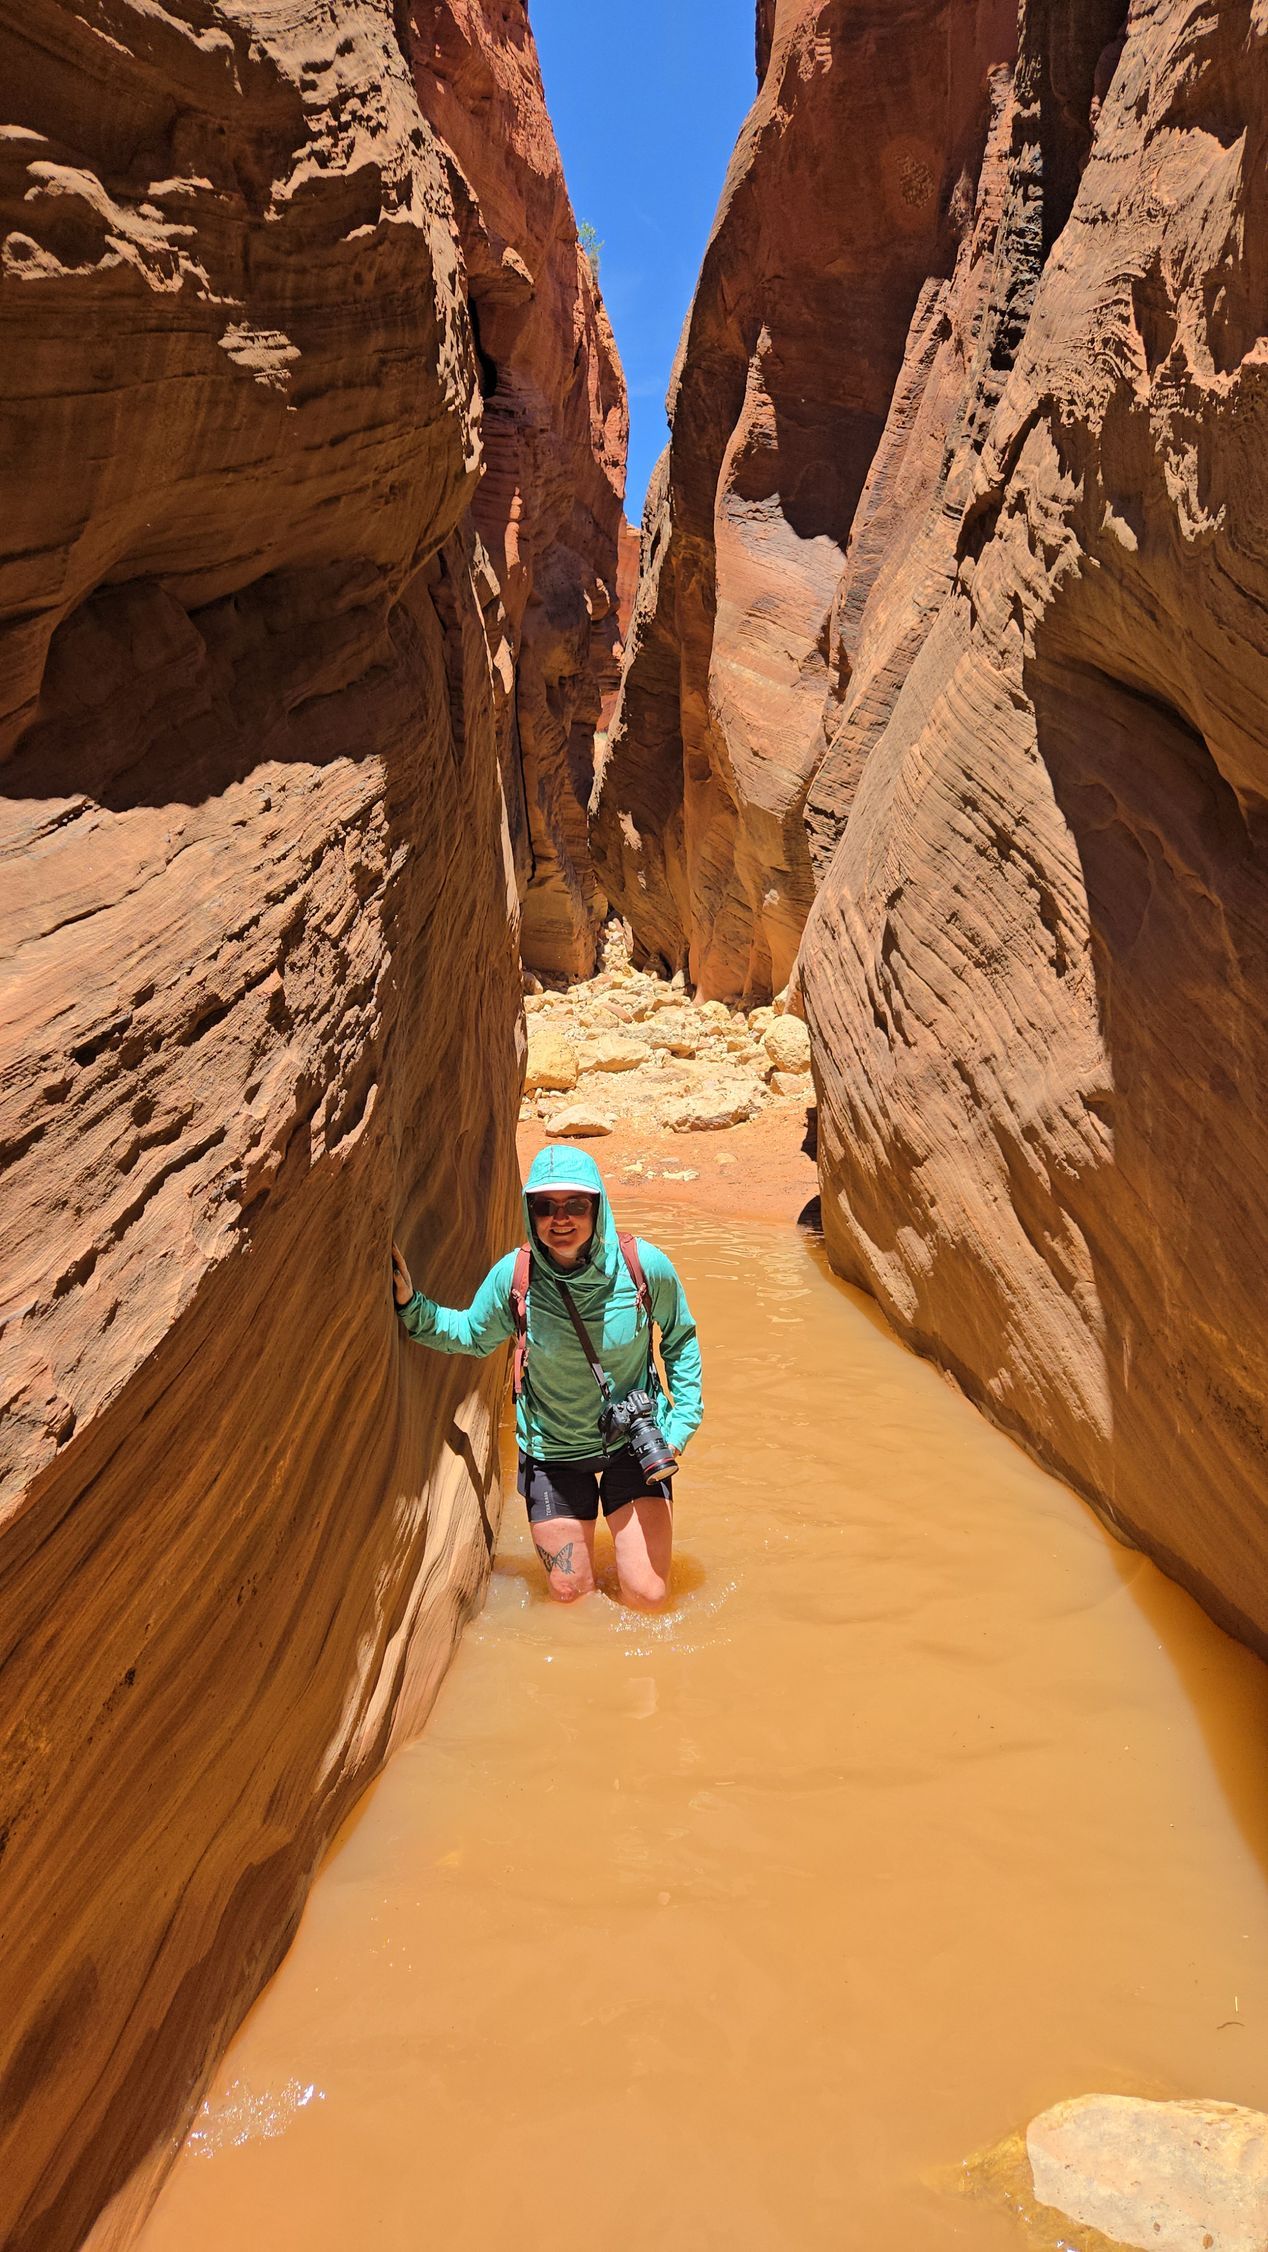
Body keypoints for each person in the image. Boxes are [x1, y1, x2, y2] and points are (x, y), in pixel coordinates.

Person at [391, 1146, 702, 1607]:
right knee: (570, 1596)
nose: (561, 1219)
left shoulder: (642, 1266)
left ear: (598, 1207)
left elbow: (681, 1340)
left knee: (649, 1596)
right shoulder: (514, 1278)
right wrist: (409, 1305)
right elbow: (472, 1335)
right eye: (545, 1206)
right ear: (529, 1211)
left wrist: (679, 1426)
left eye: (576, 1205)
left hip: (633, 1446)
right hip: (552, 1451)